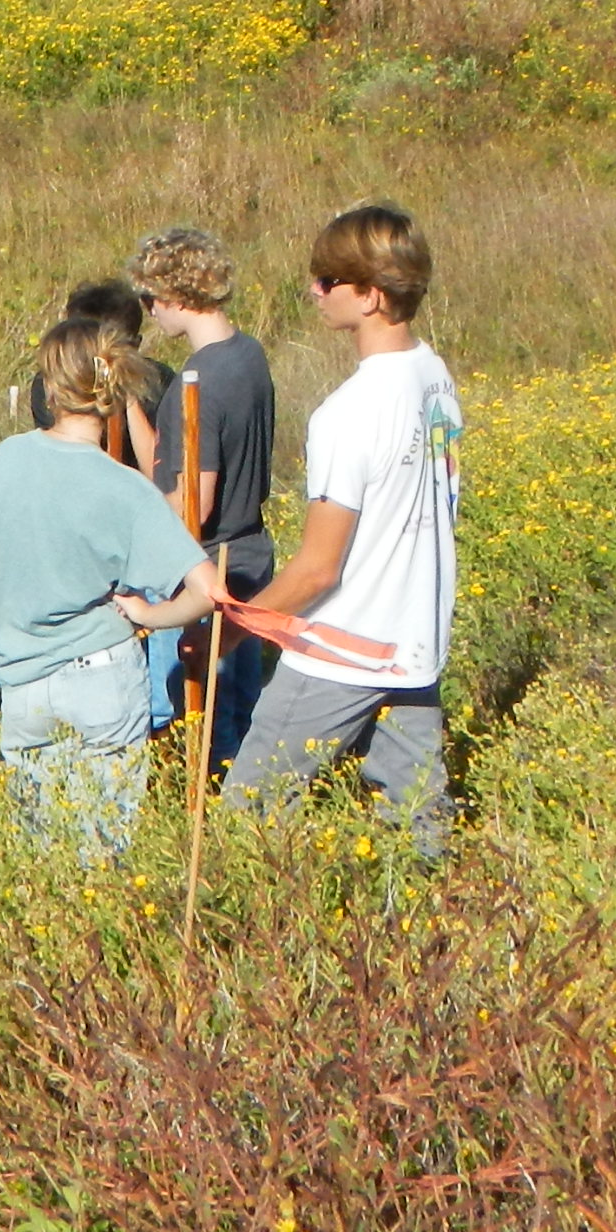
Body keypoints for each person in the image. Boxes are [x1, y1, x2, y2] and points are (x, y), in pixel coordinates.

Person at [224, 203, 463, 853]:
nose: (315, 291)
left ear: (372, 296)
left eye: (329, 280)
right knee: (418, 822)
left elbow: (317, 568)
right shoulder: (434, 378)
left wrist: (225, 631)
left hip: (344, 647)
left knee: (249, 813)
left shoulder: (350, 412)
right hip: (412, 644)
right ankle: (431, 942)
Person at [0, 316, 227, 860]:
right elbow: (208, 590)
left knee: (39, 856)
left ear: (50, 387)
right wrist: (149, 616)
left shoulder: (7, 458)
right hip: (101, 677)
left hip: (24, 683)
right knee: (101, 854)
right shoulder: (126, 488)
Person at [133, 225, 280, 772]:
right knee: (243, 718)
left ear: (173, 296)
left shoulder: (198, 380)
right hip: (251, 558)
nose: (150, 313)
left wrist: (130, 528)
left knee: (201, 729)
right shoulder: (249, 355)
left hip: (206, 569)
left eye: (150, 300)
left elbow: (195, 502)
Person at [23, 276, 162, 465]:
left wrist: (128, 394)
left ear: (134, 347)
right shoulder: (52, 382)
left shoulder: (156, 382)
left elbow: (159, 470)